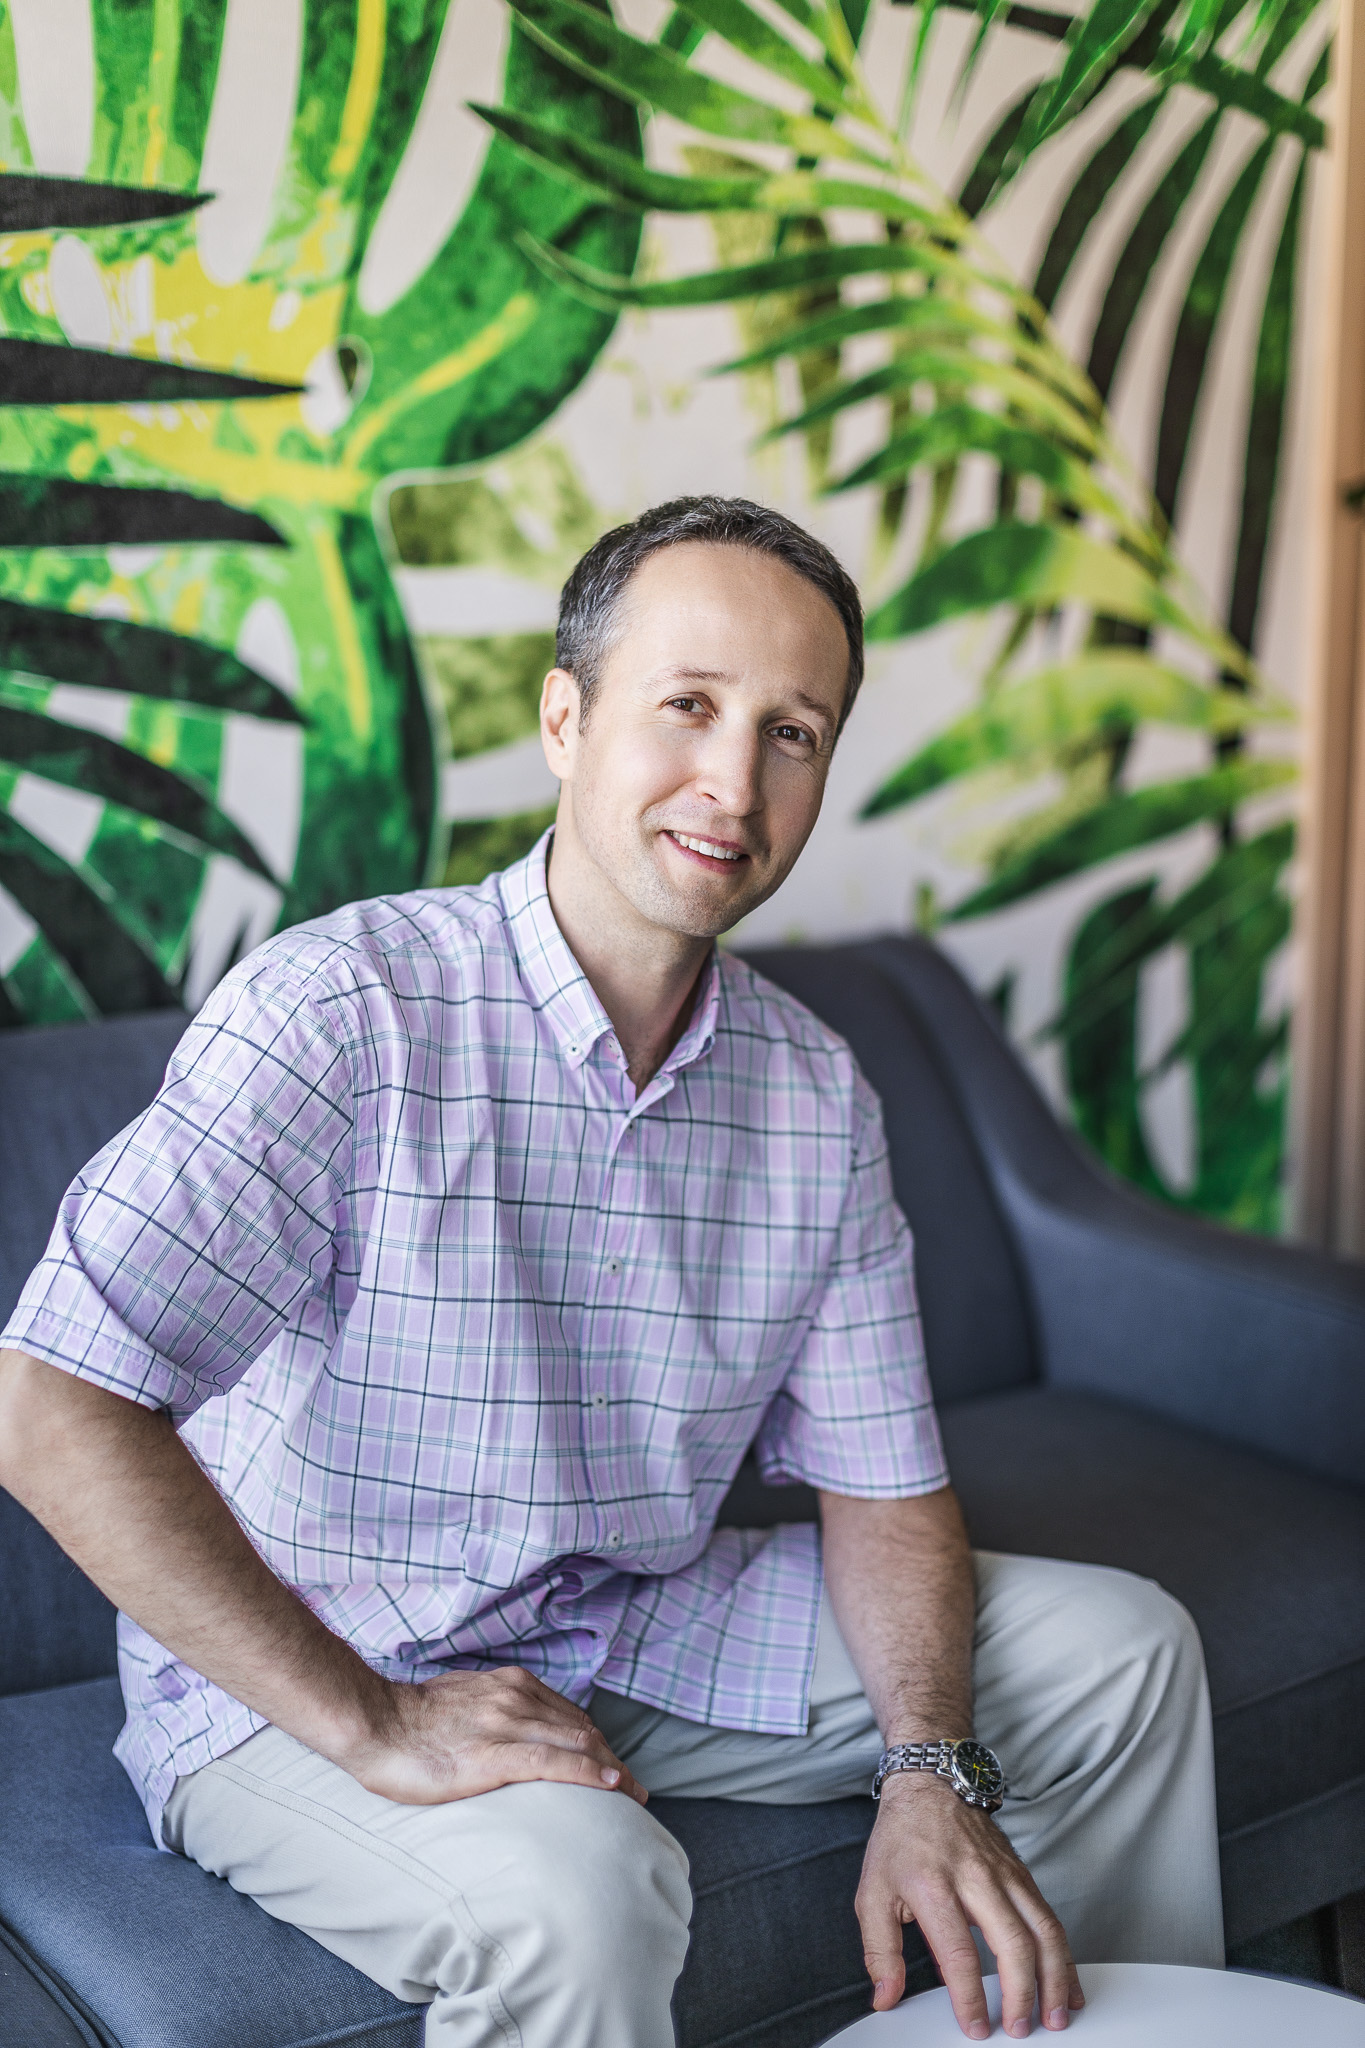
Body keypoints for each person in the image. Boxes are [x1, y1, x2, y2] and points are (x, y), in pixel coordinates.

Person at [0, 497, 1223, 2048]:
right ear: (564, 721)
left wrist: (927, 1767)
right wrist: (376, 1723)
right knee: (585, 1890)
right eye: (687, 705)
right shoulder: (341, 1012)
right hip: (303, 1662)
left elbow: (886, 1487)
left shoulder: (814, 1092)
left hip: (625, 1619)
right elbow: (49, 1405)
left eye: (792, 732)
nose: (735, 782)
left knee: (1123, 1655)